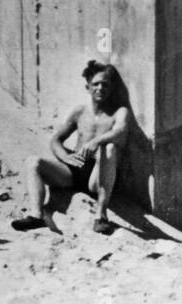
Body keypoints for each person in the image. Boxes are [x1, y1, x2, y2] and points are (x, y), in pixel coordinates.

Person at [12, 60, 131, 235]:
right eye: (95, 84)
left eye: (105, 84)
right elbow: (55, 140)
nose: (100, 88)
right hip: (73, 171)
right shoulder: (80, 112)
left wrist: (97, 141)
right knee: (33, 162)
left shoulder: (119, 112)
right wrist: (65, 157)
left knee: (110, 148)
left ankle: (101, 215)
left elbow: (120, 131)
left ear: (111, 88)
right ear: (88, 87)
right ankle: (36, 216)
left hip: (98, 175)